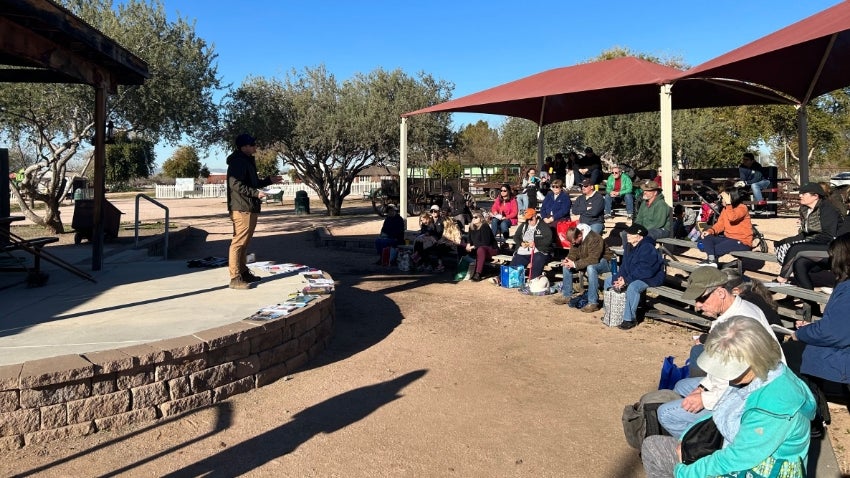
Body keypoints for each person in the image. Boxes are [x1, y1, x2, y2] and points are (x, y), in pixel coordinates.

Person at [642, 316, 816, 478]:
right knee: (655, 445)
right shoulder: (766, 374)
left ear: (753, 361)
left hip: (755, 469)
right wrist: (686, 440)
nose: (724, 375)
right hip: (734, 449)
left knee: (655, 449)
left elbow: (738, 458)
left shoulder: (773, 407)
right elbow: (722, 411)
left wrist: (684, 471)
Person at [656, 267, 779, 438]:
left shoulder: (740, 324)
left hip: (752, 394)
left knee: (665, 413)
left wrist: (704, 399)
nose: (697, 306)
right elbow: (723, 371)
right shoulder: (733, 311)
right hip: (735, 383)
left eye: (701, 298)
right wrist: (702, 387)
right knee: (682, 386)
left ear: (721, 292)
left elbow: (743, 380)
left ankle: (701, 449)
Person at [788, 234, 850, 434]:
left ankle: (815, 416)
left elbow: (834, 334)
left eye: (832, 256)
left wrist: (803, 332)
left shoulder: (848, 290)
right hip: (841, 349)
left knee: (788, 354)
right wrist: (811, 327)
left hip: (843, 365)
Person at [226, 133, 274, 290]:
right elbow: (235, 184)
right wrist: (256, 193)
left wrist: (268, 181)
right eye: (252, 144)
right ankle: (235, 277)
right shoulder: (238, 162)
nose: (255, 147)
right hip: (242, 208)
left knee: (244, 243)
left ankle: (244, 272)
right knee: (238, 242)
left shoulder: (247, 161)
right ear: (244, 147)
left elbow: (252, 183)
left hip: (249, 207)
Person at [775, 182, 842, 284]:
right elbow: (806, 233)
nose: (800, 195)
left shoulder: (828, 209)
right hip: (816, 243)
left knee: (796, 248)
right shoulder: (805, 209)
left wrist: (806, 244)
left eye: (804, 193)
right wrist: (786, 241)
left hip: (834, 247)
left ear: (815, 196)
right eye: (800, 193)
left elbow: (828, 235)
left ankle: (781, 279)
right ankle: (808, 298)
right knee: (799, 263)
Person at [602, 223, 665, 330]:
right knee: (608, 281)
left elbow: (646, 271)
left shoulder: (647, 248)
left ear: (639, 236)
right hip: (632, 275)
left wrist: (626, 280)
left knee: (633, 287)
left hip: (650, 278)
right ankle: (609, 313)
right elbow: (624, 266)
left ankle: (629, 319)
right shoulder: (629, 246)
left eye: (631, 234)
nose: (628, 235)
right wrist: (620, 278)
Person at [552, 223, 613, 313]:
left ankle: (593, 302)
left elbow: (594, 259)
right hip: (586, 260)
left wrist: (575, 264)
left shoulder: (595, 238)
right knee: (566, 267)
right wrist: (568, 260)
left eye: (574, 242)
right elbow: (573, 253)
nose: (574, 244)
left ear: (580, 235)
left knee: (591, 268)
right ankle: (566, 295)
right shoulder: (575, 236)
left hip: (605, 261)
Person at [697, 187, 753, 266]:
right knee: (703, 240)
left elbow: (732, 218)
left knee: (713, 249)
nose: (720, 200)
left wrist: (728, 204)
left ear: (730, 198)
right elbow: (720, 225)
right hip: (728, 239)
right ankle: (712, 260)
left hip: (742, 242)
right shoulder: (725, 209)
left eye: (722, 198)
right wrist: (710, 231)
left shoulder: (742, 208)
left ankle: (711, 260)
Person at [621, 180, 671, 245]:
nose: (644, 192)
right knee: (625, 233)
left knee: (643, 235)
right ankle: (628, 254)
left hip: (661, 229)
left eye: (648, 191)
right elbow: (639, 219)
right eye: (644, 190)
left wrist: (641, 231)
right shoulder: (644, 203)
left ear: (655, 193)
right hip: (646, 228)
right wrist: (635, 228)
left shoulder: (661, 204)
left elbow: (658, 224)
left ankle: (642, 252)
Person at [510, 208, 554, 279]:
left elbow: (548, 239)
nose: (529, 221)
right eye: (527, 219)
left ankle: (533, 280)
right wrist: (521, 243)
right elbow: (516, 236)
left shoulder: (543, 226)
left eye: (531, 219)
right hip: (524, 251)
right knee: (516, 260)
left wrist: (535, 243)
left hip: (539, 251)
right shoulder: (524, 225)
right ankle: (502, 278)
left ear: (535, 216)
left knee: (538, 259)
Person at [463, 211, 500, 282]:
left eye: (476, 217)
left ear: (481, 218)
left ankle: (478, 273)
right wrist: (468, 244)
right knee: (461, 245)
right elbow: (469, 238)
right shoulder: (471, 227)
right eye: (473, 217)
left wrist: (473, 246)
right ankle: (462, 270)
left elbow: (486, 242)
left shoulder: (484, 226)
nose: (473, 219)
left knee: (480, 249)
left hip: (491, 248)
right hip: (478, 247)